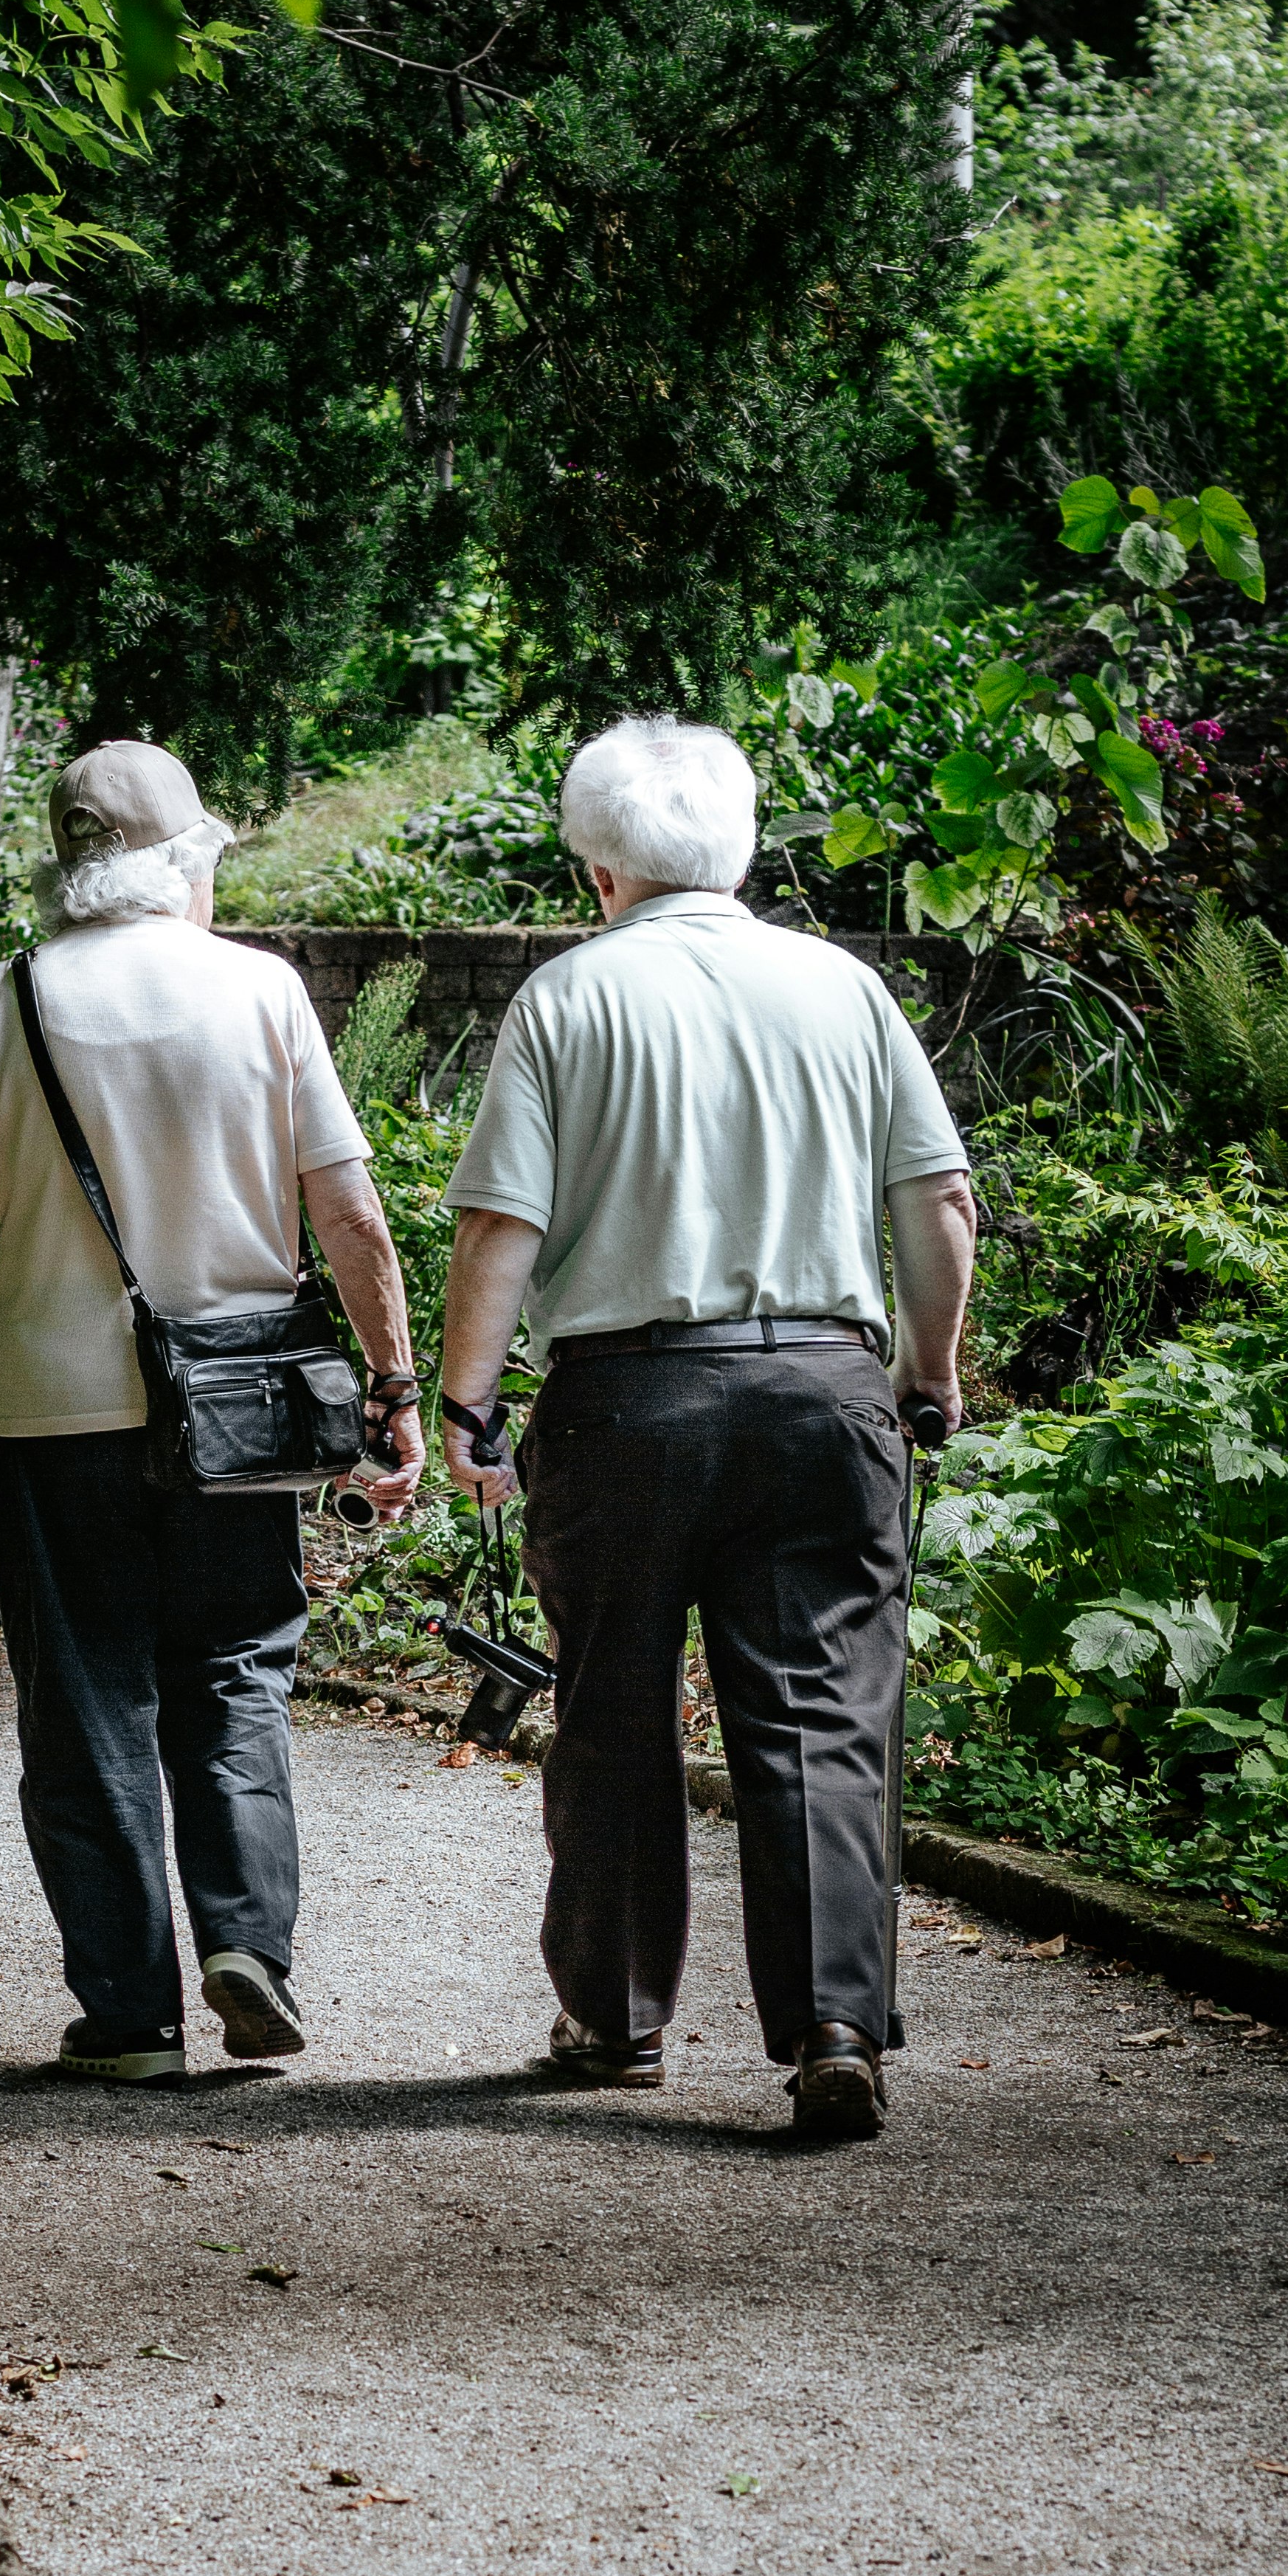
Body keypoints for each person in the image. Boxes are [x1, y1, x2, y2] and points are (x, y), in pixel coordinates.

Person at [437, 714, 974, 2140]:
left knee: (610, 1703)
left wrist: (467, 1403)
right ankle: (833, 2027)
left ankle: (614, 2020)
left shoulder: (567, 998)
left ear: (597, 866)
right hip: (819, 1388)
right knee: (818, 1715)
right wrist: (929, 1371)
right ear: (739, 847)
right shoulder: (842, 987)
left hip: (625, 1402)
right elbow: (936, 1201)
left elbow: (503, 1225)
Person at [0, 737, 424, 2084]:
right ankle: (248, 1943)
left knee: (83, 1701)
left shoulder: (4, 999)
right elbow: (349, 1212)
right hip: (241, 1409)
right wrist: (394, 1386)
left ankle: (128, 2015)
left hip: (48, 1413)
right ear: (185, 857)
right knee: (236, 1669)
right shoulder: (262, 990)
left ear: (69, 865)